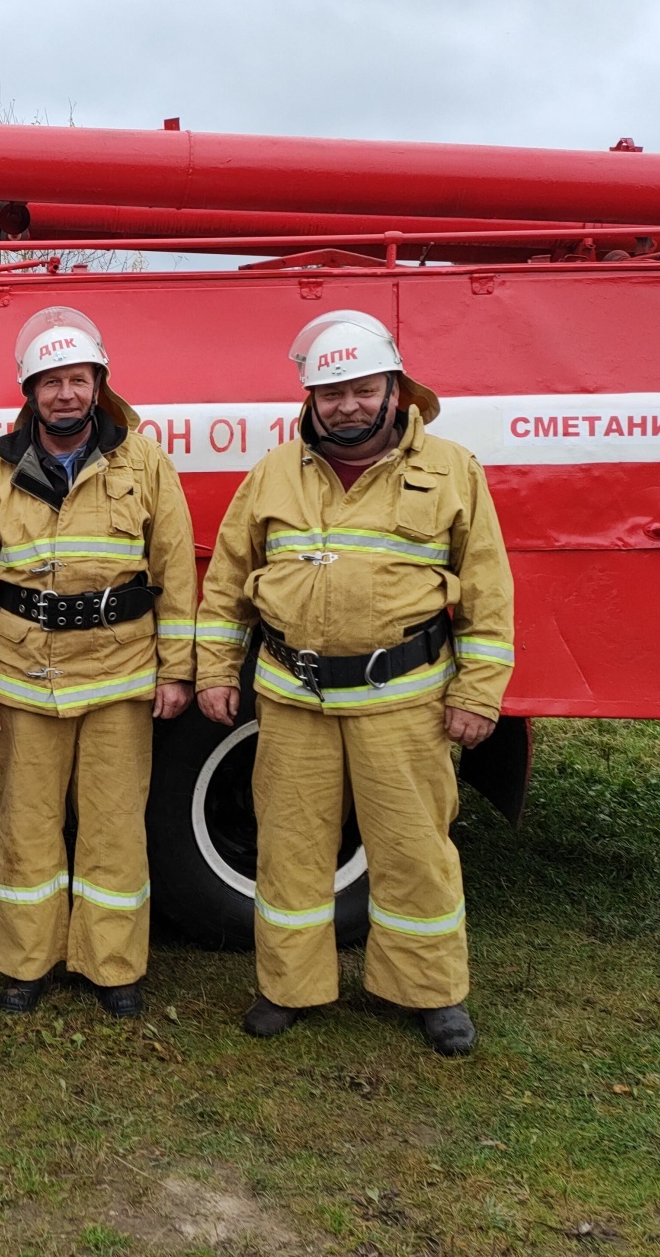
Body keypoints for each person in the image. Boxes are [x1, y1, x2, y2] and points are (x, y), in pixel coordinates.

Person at [192, 310, 514, 1056]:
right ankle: (288, 986)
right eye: (330, 392)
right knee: (290, 848)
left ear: (395, 389)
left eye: (362, 389)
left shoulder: (451, 471)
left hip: (403, 702)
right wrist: (214, 669)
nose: (346, 405)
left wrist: (477, 692)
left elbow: (488, 590)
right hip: (294, 698)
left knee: (413, 850)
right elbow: (228, 583)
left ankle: (431, 991)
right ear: (309, 398)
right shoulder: (273, 474)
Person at [0, 306, 196, 1017]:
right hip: (26, 681)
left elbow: (175, 572)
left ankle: (112, 966)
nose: (65, 393)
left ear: (98, 386)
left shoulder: (144, 463)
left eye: (78, 379)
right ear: (29, 391)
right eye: (50, 381)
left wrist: (177, 671)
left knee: (116, 829)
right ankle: (28, 964)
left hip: (120, 678)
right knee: (25, 829)